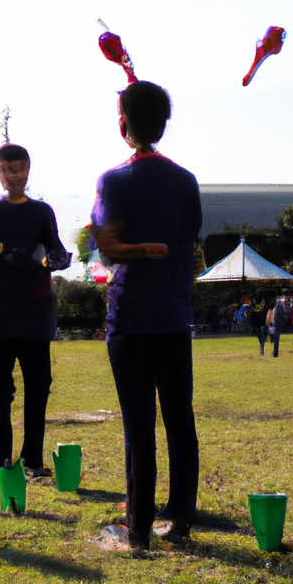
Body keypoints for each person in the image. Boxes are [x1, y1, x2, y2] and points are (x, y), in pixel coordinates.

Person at [90, 81, 202, 550]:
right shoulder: (185, 180)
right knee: (179, 420)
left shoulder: (114, 180)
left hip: (131, 320)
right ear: (163, 125)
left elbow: (106, 243)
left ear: (123, 124)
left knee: (139, 425)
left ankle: (136, 529)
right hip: (174, 318)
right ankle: (179, 518)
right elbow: (191, 244)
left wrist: (139, 250)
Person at [0, 144, 71, 477]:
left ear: (28, 169)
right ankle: (3, 463)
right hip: (0, 315)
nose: (16, 176)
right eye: (9, 170)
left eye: (21, 168)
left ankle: (34, 460)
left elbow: (58, 253)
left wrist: (53, 260)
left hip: (37, 313)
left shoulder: (41, 211)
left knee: (38, 387)